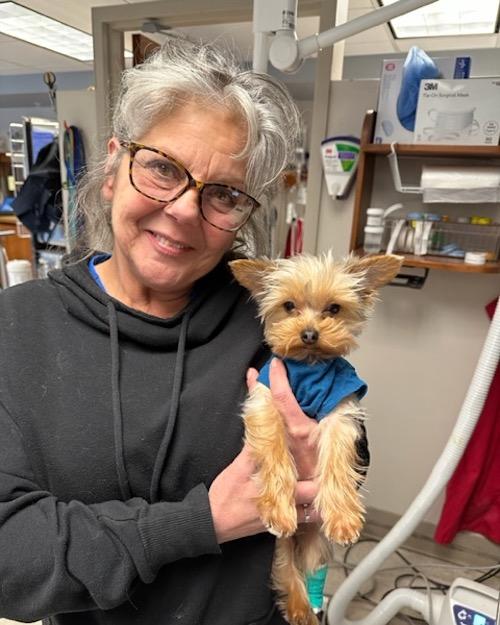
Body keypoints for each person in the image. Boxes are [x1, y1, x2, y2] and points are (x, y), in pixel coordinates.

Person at [0, 40, 368, 625]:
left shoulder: (268, 320)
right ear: (115, 167)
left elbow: (345, 454)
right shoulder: (17, 329)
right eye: (162, 168)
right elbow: (12, 565)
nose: (184, 210)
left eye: (223, 194)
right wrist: (207, 519)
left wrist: (318, 461)